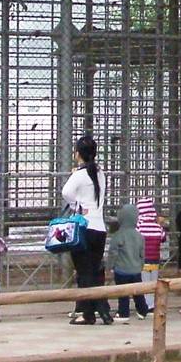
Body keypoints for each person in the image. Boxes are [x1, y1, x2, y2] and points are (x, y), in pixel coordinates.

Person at [61, 135, 113, 325]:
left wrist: (77, 205)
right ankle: (97, 309)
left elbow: (66, 193)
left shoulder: (79, 175)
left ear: (78, 153)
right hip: (99, 228)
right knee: (94, 270)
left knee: (84, 272)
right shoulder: (100, 173)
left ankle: (92, 312)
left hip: (83, 227)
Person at [111, 203, 149, 321]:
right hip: (136, 269)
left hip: (121, 270)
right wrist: (141, 265)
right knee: (138, 292)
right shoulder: (139, 236)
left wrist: (109, 267)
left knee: (123, 293)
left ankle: (124, 313)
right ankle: (142, 310)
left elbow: (113, 253)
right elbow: (142, 254)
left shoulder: (118, 235)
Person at [136, 195, 163, 309]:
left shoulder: (139, 225)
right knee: (154, 282)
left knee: (145, 283)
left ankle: (147, 305)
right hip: (155, 260)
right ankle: (153, 304)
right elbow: (163, 238)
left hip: (143, 260)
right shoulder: (157, 226)